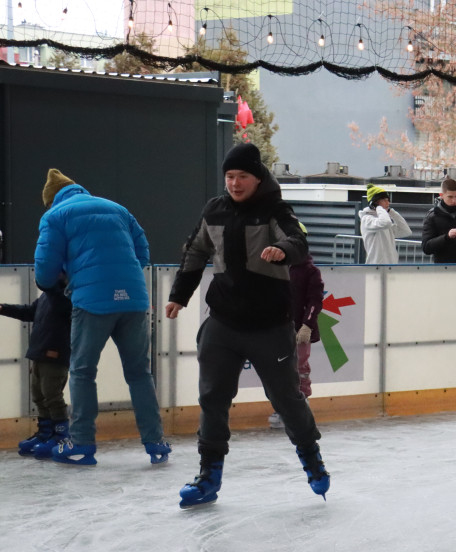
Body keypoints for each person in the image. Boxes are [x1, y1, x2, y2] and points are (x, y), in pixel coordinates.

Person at [165, 142, 329, 507]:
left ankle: (311, 457)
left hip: (269, 325)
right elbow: (195, 252)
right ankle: (209, 475)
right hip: (223, 322)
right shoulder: (215, 210)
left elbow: (298, 239)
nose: (235, 184)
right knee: (212, 397)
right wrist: (180, 295)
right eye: (229, 177)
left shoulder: (275, 209)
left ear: (257, 178)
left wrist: (283, 249)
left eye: (242, 177)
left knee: (286, 398)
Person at [33, 169, 170, 466]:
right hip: (134, 299)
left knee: (83, 372)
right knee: (139, 373)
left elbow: (43, 271)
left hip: (92, 302)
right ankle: (156, 442)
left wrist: (66, 278)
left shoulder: (55, 217)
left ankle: (81, 443)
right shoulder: (117, 209)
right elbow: (143, 254)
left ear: (51, 199)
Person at [2, 278, 72, 458]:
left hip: (55, 354)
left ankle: (61, 436)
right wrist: (3, 308)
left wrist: (47, 283)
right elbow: (29, 312)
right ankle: (45, 433)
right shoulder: (47, 296)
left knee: (52, 395)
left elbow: (62, 306)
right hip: (39, 353)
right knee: (38, 395)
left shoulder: (67, 296)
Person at [269, 253, 324, 428]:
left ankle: (302, 404)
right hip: (278, 328)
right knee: (278, 369)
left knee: (299, 367)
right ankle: (281, 407)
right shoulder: (276, 266)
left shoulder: (310, 271)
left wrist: (307, 325)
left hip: (299, 330)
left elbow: (315, 300)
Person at [359, 183, 412, 264]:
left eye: (388, 200)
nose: (388, 203)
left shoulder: (385, 218)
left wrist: (391, 212)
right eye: (384, 200)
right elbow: (385, 223)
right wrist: (379, 208)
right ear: (375, 202)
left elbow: (406, 231)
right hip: (375, 268)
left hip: (391, 267)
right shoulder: (367, 219)